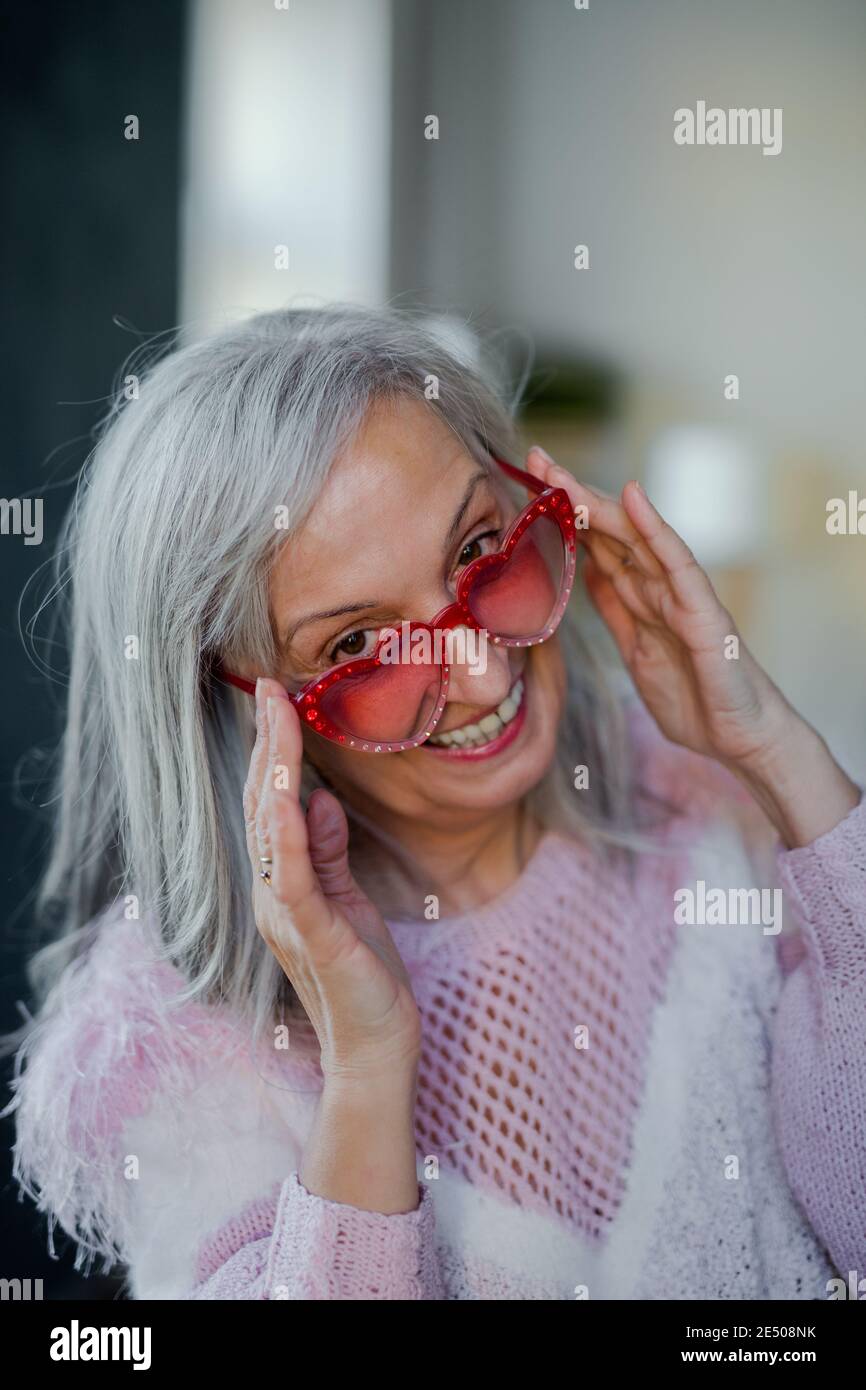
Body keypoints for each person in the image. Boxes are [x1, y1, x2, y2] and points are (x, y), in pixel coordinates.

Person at [5, 304, 865, 1299]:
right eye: (358, 646)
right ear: (234, 714)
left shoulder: (726, 818)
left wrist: (777, 754)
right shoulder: (185, 1054)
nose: (479, 668)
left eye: (474, 553)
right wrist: (368, 1071)